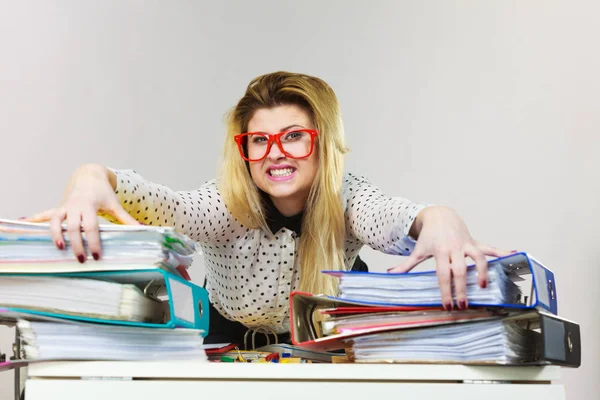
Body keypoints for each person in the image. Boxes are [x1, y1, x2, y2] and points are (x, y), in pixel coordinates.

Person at [24, 71, 512, 345]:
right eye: (260, 139)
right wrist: (89, 178)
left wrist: (443, 220)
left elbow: (395, 217)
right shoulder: (224, 204)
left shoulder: (348, 197)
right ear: (245, 149)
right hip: (227, 340)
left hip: (325, 342)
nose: (276, 152)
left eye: (294, 136)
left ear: (325, 143)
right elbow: (164, 204)